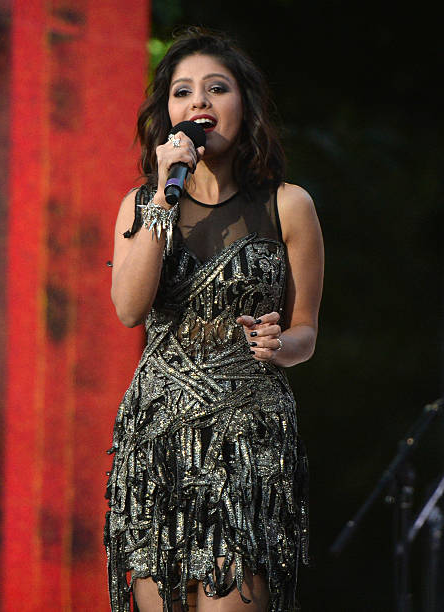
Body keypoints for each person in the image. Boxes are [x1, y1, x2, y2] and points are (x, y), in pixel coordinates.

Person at [104, 27, 324, 612]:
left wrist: (282, 345)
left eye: (215, 88)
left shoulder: (289, 205)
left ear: (243, 105)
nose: (198, 102)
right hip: (159, 440)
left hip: (246, 443)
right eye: (182, 92)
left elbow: (306, 331)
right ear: (168, 113)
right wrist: (164, 200)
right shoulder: (141, 204)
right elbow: (128, 308)